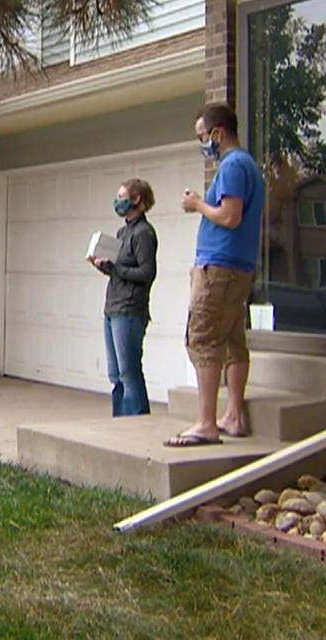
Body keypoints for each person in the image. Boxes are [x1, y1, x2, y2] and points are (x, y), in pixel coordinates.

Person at [165, 103, 265, 447]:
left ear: (217, 134)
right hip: (237, 268)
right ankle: (234, 415)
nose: (203, 144)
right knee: (234, 340)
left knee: (204, 339)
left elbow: (230, 215)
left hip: (219, 268)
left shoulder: (233, 165)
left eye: (203, 137)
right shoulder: (249, 165)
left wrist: (197, 204)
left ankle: (206, 422)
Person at [88, 179, 158, 416]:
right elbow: (117, 270)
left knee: (129, 371)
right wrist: (102, 265)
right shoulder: (123, 231)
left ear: (136, 199)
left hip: (130, 309)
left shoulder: (144, 233)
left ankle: (137, 419)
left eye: (121, 196)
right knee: (115, 373)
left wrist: (117, 268)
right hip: (113, 307)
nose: (117, 201)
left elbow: (147, 272)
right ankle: (119, 419)